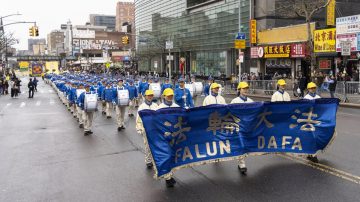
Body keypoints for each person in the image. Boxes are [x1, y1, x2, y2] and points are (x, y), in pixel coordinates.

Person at [230, 81, 253, 175]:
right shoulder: (234, 101)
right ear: (239, 90)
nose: (245, 90)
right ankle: (242, 164)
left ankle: (242, 161)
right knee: (241, 145)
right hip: (239, 127)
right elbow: (230, 113)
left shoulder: (251, 101)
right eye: (243, 88)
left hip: (248, 127)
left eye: (247, 88)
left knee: (247, 145)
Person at [157, 88, 179, 187]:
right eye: (168, 95)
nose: (170, 97)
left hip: (175, 134)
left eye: (171, 95)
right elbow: (157, 122)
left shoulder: (176, 107)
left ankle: (170, 174)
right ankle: (168, 177)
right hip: (165, 135)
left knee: (173, 155)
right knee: (167, 155)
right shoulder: (160, 108)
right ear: (164, 96)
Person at [135, 90, 158, 169]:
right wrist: (139, 129)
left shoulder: (155, 105)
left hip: (154, 129)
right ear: (145, 96)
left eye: (151, 95)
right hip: (146, 129)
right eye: (148, 95)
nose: (150, 97)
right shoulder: (141, 107)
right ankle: (148, 161)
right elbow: (138, 119)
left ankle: (155, 159)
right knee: (147, 146)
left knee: (155, 145)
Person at [303, 82, 321, 163]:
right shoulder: (306, 98)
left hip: (316, 119)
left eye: (314, 87)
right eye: (311, 88)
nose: (313, 89)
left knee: (315, 137)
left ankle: (312, 154)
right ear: (308, 89)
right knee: (310, 137)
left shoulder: (318, 97)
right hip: (308, 120)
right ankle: (312, 155)